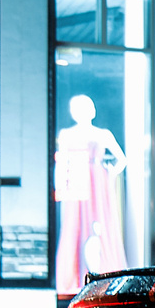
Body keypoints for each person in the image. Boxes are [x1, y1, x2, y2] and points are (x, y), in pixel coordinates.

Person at [54, 93, 127, 294]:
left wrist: (109, 173)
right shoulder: (67, 134)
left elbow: (121, 159)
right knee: (75, 227)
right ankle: (74, 276)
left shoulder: (102, 134)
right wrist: (60, 188)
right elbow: (62, 163)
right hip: (77, 182)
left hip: (97, 182)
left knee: (99, 226)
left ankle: (103, 273)